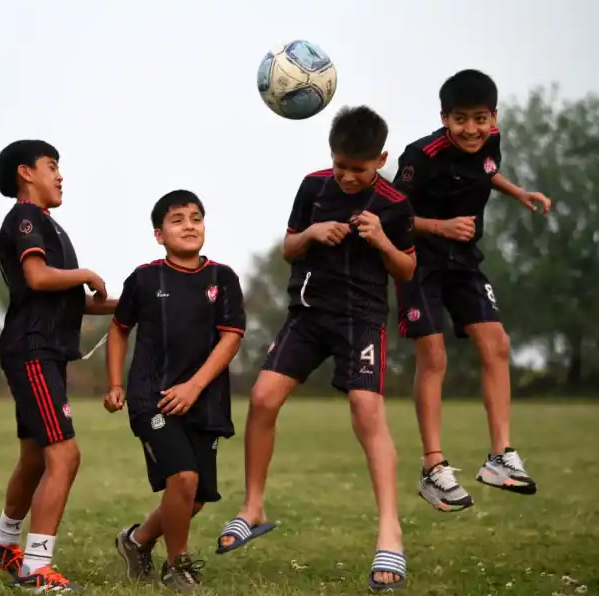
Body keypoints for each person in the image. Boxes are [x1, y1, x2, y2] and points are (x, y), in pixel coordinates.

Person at [216, 106, 416, 591]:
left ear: (381, 160)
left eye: (359, 169)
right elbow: (289, 247)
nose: (347, 177)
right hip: (308, 315)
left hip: (362, 321)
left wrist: (382, 241)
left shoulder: (395, 204)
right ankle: (253, 507)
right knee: (262, 400)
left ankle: (390, 532)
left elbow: (407, 270)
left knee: (367, 412)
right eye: (340, 165)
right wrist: (310, 234)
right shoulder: (313, 186)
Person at [391, 69, 550, 513]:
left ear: (493, 117)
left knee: (497, 344)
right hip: (418, 263)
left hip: (463, 262)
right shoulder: (419, 156)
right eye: (460, 119)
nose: (472, 129)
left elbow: (483, 172)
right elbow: (387, 215)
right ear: (444, 118)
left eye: (481, 118)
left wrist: (517, 191)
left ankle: (500, 457)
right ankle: (433, 468)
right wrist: (438, 226)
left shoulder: (490, 140)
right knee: (434, 356)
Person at [0, 139, 115, 593]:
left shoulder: (50, 227)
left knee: (36, 455)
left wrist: (131, 304)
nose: (60, 175)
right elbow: (38, 278)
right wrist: (87, 274)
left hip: (45, 353)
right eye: (51, 166)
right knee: (65, 455)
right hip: (33, 350)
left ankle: (2, 542)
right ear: (26, 173)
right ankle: (36, 567)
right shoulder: (25, 218)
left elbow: (72, 300)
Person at [104, 190, 246, 593]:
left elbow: (231, 338)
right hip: (154, 398)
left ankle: (135, 541)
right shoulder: (145, 279)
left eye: (196, 217)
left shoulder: (223, 278)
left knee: (195, 497)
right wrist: (116, 384)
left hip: (206, 400)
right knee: (181, 478)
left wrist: (195, 387)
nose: (189, 225)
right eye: (177, 219)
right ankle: (177, 567)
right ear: (158, 234)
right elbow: (118, 329)